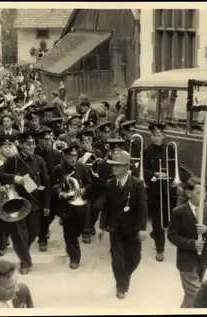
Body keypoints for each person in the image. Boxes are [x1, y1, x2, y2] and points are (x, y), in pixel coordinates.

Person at [0, 131, 51, 275]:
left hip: (36, 203)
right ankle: (25, 261)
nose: (31, 147)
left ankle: (22, 250)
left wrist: (47, 205)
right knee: (19, 234)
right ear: (21, 145)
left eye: (33, 144)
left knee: (33, 232)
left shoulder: (39, 160)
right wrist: (14, 178)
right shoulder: (14, 160)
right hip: (18, 203)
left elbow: (46, 183)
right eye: (27, 144)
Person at [98, 150, 148, 299]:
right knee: (117, 259)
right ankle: (121, 286)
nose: (113, 168)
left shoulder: (137, 184)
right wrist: (101, 226)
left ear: (126, 167)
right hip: (115, 228)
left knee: (134, 258)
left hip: (132, 228)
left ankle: (124, 278)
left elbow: (142, 207)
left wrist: (143, 228)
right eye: (112, 165)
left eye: (117, 166)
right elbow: (105, 207)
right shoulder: (109, 183)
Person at [167, 178, 207, 308]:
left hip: (203, 259)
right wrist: (191, 244)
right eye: (198, 192)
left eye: (204, 193)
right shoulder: (178, 212)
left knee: (190, 297)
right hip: (186, 261)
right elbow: (172, 235)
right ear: (189, 193)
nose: (202, 196)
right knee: (198, 295)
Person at [49, 144, 91, 269]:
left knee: (77, 231)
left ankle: (71, 246)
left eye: (75, 156)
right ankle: (74, 257)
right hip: (65, 206)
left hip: (80, 206)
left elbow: (89, 183)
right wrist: (60, 193)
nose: (73, 159)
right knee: (70, 234)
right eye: (70, 156)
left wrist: (83, 189)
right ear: (64, 156)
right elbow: (51, 186)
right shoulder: (58, 169)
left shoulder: (81, 167)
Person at [142, 123, 177, 262]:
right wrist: (155, 174)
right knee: (158, 220)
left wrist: (170, 176)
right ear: (151, 136)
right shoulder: (146, 150)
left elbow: (174, 166)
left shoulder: (170, 149)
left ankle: (156, 233)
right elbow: (142, 171)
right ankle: (160, 249)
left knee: (165, 218)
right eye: (155, 135)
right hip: (153, 190)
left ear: (164, 135)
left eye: (160, 134)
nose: (158, 137)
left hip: (166, 188)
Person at [34, 127, 63, 252]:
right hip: (36, 188)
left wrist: (58, 185)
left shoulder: (56, 154)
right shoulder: (33, 151)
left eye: (50, 138)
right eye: (45, 139)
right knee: (41, 215)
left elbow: (60, 171)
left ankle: (44, 229)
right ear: (39, 140)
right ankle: (42, 239)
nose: (48, 141)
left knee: (50, 215)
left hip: (51, 189)